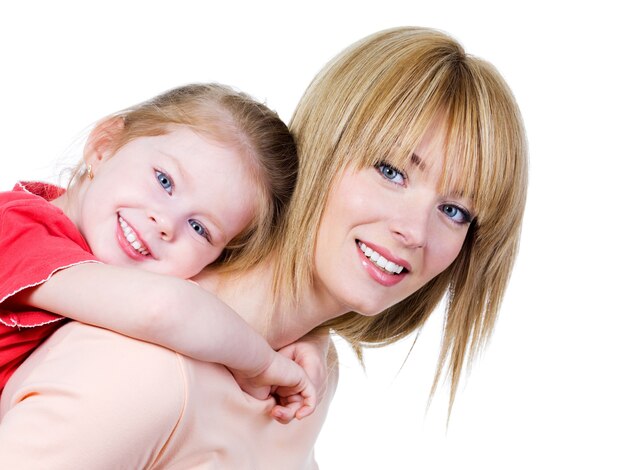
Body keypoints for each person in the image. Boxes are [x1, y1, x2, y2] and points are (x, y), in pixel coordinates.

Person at [0, 26, 528, 468]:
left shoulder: (312, 374)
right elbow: (164, 316)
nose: (416, 230)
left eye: (455, 211)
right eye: (390, 171)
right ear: (323, 146)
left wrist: (305, 348)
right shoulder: (147, 371)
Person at [0, 83, 318, 419]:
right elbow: (165, 308)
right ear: (104, 146)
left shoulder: (98, 266)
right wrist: (262, 364)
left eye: (200, 229)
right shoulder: (15, 227)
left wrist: (308, 337)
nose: (165, 222)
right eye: (164, 180)